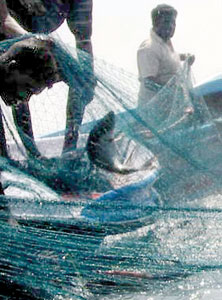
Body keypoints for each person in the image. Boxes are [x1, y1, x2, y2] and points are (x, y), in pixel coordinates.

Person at [5, 0, 95, 154]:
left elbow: (84, 41)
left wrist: (87, 77)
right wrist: (33, 45)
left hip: (38, 42)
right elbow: (4, 21)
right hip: (11, 36)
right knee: (18, 85)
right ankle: (31, 152)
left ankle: (69, 149)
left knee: (83, 81)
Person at [137, 4, 195, 108]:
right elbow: (149, 83)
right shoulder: (148, 49)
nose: (171, 26)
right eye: (166, 22)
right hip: (154, 112)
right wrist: (171, 93)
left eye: (173, 23)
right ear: (156, 24)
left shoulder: (165, 43)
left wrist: (184, 56)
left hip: (170, 108)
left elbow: (166, 58)